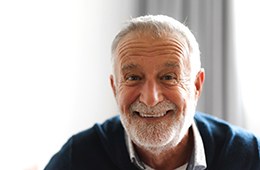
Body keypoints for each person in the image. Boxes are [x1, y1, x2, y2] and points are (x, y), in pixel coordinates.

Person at [44, 15, 260, 170]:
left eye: (168, 77)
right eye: (133, 78)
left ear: (196, 85)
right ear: (114, 88)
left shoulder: (248, 155)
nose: (150, 98)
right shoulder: (77, 158)